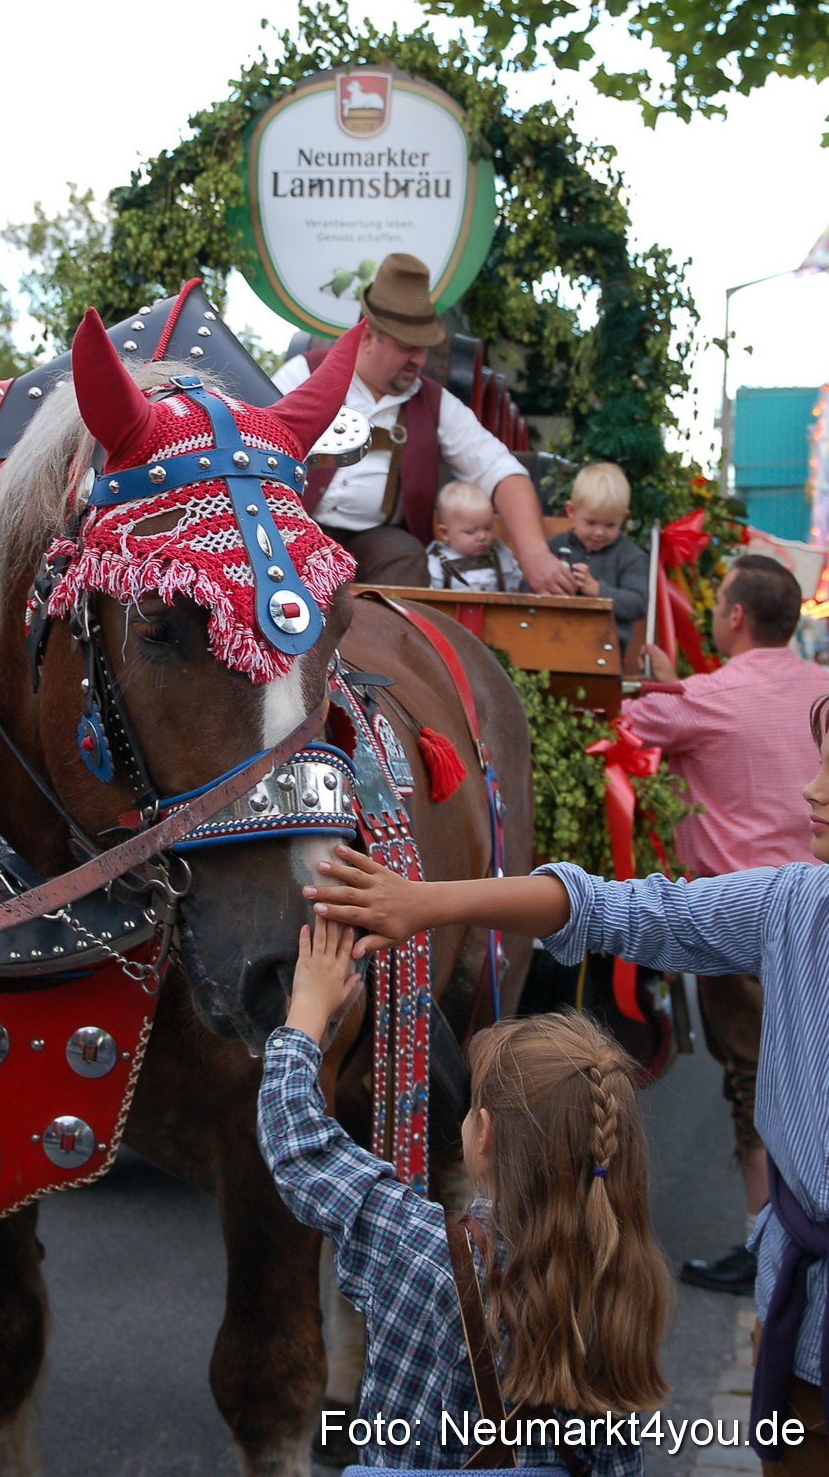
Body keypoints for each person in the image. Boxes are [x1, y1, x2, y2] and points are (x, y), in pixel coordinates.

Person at [304, 698, 829, 1472]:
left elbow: (300, 1150)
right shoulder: (796, 901)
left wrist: (296, 1036)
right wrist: (423, 902)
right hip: (806, 1315)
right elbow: (624, 909)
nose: (811, 791)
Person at [258, 919, 666, 1473]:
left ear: (486, 1133)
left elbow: (300, 1146)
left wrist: (306, 1012)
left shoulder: (421, 1249)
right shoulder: (622, 1275)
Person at [624, 554, 827, 1298]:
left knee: (755, 1079)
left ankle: (766, 1246)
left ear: (734, 617)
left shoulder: (706, 697)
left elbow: (622, 722)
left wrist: (659, 673)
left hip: (741, 922)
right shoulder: (821, 687)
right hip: (821, 905)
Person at [272, 253, 573, 594]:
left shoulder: (434, 402)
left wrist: (534, 552)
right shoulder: (302, 373)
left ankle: (393, 647)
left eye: (423, 348)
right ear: (368, 337)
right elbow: (250, 442)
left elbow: (499, 469)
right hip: (298, 528)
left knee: (407, 556)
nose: (418, 359)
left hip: (378, 544)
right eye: (406, 347)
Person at [545, 464, 648, 651]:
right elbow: (527, 586)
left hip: (604, 649)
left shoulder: (630, 557)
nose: (599, 532)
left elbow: (637, 605)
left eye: (610, 525)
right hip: (551, 639)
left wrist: (599, 590)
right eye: (591, 522)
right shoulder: (552, 547)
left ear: (623, 518)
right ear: (571, 511)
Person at [426, 480, 524, 592]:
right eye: (471, 531)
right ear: (445, 533)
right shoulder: (436, 565)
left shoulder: (501, 555)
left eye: (487, 528)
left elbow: (516, 588)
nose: (482, 536)